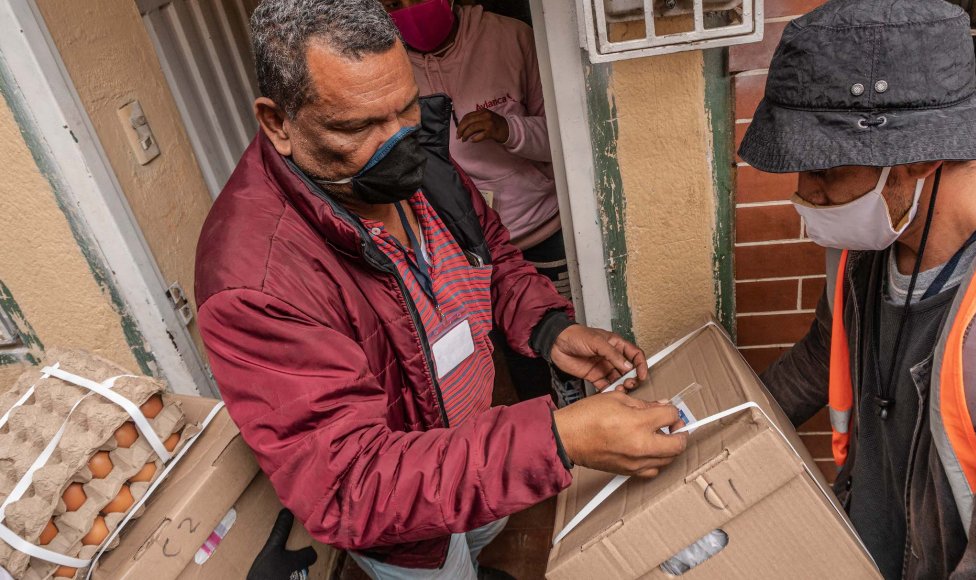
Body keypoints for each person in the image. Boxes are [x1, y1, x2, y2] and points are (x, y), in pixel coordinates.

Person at [194, 1, 688, 579]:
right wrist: (557, 439)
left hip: (476, 453)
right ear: (278, 123)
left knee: (477, 539)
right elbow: (350, 486)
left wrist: (549, 327)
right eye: (357, 127)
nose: (398, 141)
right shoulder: (255, 280)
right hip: (408, 525)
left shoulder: (414, 155)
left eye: (404, 107)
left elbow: (493, 256)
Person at [737, 1, 976, 578]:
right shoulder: (869, 245)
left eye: (826, 170)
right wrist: (707, 429)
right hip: (870, 543)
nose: (806, 195)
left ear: (923, 155)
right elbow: (820, 359)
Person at [383, 0, 570, 403]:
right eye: (392, 3)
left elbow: (563, 135)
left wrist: (508, 129)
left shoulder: (512, 38)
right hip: (461, 246)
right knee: (516, 352)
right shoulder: (385, 62)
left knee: (562, 338)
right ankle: (544, 417)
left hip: (539, 229)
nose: (408, 9)